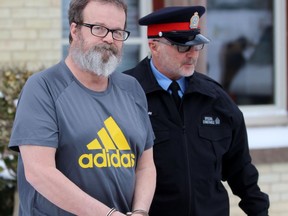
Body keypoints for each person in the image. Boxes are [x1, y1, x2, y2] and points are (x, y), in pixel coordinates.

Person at [9, 0, 156, 215]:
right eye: (98, 28)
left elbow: (145, 165)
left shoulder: (131, 89)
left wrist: (141, 211)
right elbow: (39, 172)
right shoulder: (43, 87)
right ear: (75, 30)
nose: (109, 38)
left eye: (117, 32)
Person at [124, 6, 270, 216]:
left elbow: (241, 170)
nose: (193, 54)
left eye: (197, 45)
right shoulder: (125, 94)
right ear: (154, 45)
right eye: (183, 47)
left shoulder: (215, 98)